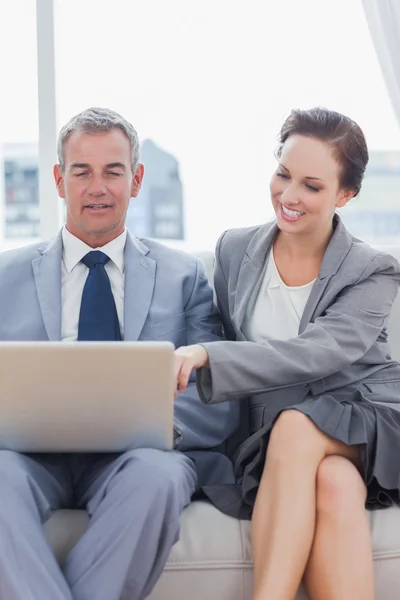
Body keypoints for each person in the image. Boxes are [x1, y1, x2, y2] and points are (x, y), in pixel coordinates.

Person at [0, 107, 239, 600]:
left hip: (135, 456)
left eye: (113, 171)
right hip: (24, 456)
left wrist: (155, 424)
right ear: (59, 180)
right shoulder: (5, 276)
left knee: (160, 476)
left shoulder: (184, 275)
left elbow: (216, 392)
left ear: (136, 179)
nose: (98, 187)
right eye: (81, 171)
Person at [174, 107, 400, 600]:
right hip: (279, 440)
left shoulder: (373, 269)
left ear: (345, 194)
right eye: (283, 174)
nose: (289, 196)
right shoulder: (234, 251)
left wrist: (209, 356)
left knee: (300, 426)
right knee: (335, 484)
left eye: (312, 186)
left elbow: (317, 352)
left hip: (366, 418)